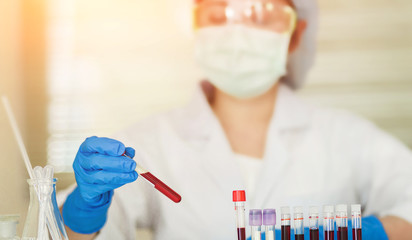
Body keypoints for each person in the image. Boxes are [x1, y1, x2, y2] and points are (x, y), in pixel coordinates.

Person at [59, 0, 412, 239]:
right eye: (219, 14)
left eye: (259, 16)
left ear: (295, 36)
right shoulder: (150, 144)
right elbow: (67, 235)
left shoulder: (348, 137)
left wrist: (361, 231)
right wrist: (83, 211)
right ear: (196, 28)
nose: (239, 32)